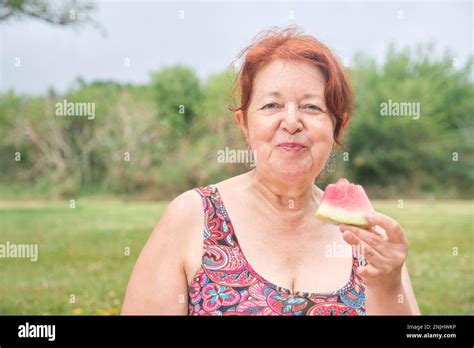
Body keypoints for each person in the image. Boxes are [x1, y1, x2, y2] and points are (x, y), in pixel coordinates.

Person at [122, 26, 420, 316]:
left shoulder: (365, 236)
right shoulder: (191, 215)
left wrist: (386, 283)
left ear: (337, 126)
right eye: (271, 105)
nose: (291, 122)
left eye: (312, 107)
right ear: (245, 125)